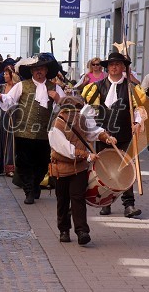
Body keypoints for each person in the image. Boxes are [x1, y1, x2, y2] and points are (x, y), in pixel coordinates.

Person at [0, 53, 65, 204]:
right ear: (31, 71)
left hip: (45, 133)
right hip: (23, 131)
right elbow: (9, 99)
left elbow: (65, 108)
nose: (38, 71)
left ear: (47, 70)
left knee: (41, 164)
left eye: (41, 68)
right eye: (35, 69)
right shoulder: (22, 85)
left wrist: (57, 99)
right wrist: (0, 96)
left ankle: (35, 186)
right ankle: (28, 190)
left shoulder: (55, 88)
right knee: (24, 163)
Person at [82, 52, 146, 217]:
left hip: (125, 134)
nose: (114, 67)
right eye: (111, 64)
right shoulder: (96, 87)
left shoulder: (131, 88)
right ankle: (105, 202)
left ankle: (128, 204)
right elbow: (90, 110)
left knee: (125, 169)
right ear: (107, 67)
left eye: (117, 64)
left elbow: (139, 109)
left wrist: (137, 122)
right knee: (104, 169)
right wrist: (91, 128)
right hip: (103, 134)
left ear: (123, 67)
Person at [49, 96, 116, 245]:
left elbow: (94, 132)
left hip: (79, 167)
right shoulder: (57, 125)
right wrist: (86, 155)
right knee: (63, 200)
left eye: (78, 110)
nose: (77, 114)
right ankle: (64, 230)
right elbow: (65, 149)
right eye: (73, 110)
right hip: (61, 168)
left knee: (78, 198)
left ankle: (82, 231)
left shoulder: (81, 120)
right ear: (65, 110)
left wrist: (106, 138)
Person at [0, 65, 20, 176]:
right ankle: (0, 166)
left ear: (12, 75)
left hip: (13, 116)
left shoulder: (17, 88)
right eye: (4, 73)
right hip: (1, 116)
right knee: (0, 140)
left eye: (7, 74)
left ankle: (10, 167)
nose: (4, 75)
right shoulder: (1, 87)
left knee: (10, 141)